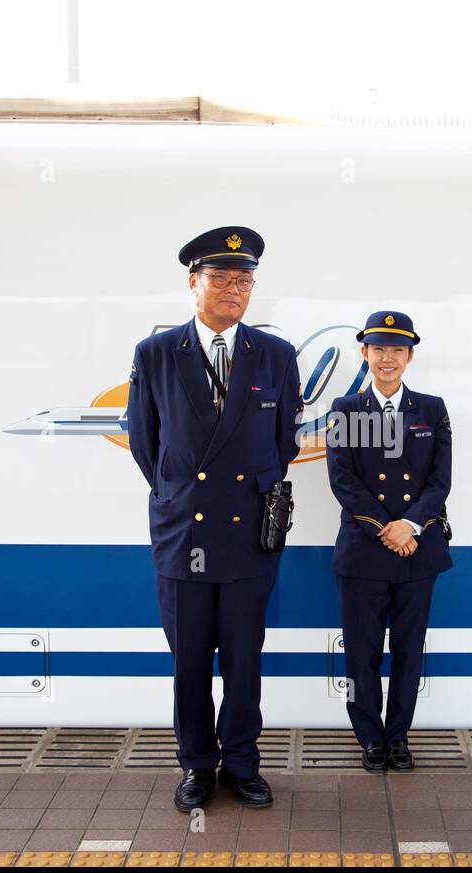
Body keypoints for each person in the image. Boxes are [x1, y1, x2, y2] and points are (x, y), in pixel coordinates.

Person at [124, 226, 302, 810]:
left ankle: (243, 764)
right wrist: (179, 498)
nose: (234, 289)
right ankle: (197, 765)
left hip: (251, 536)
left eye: (244, 280)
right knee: (191, 664)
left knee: (245, 661)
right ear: (193, 283)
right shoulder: (156, 353)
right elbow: (148, 446)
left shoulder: (275, 355)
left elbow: (284, 444)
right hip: (184, 538)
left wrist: (250, 493)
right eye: (222, 278)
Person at [324, 311, 452, 772]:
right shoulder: (346, 410)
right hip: (364, 552)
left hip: (417, 552)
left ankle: (397, 737)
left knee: (408, 649)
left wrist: (411, 526)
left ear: (410, 355)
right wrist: (387, 528)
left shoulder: (431, 409)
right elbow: (343, 479)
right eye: (379, 349)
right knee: (361, 652)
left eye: (397, 350)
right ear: (365, 353)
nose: (387, 358)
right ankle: (369, 738)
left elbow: (439, 482)